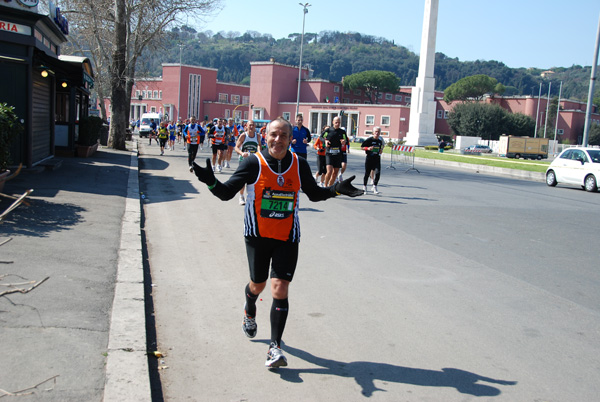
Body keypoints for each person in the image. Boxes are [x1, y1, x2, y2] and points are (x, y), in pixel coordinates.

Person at [192, 117, 363, 368]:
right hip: (257, 236)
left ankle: (275, 347)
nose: (278, 140)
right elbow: (227, 192)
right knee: (258, 285)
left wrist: (336, 189)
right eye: (273, 134)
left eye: (283, 135)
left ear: (290, 139)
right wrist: (209, 180)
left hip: (287, 237)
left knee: (280, 288)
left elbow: (314, 195)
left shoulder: (299, 164)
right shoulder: (253, 163)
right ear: (265, 137)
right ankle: (249, 305)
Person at [234, 119, 260, 205]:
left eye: (253, 125)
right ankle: (241, 196)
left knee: (255, 179)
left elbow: (259, 145)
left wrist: (259, 153)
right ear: (246, 126)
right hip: (243, 160)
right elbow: (236, 147)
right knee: (243, 179)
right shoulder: (243, 136)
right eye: (250, 125)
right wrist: (242, 153)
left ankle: (252, 197)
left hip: (254, 160)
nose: (251, 127)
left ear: (255, 126)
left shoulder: (258, 136)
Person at [322, 116, 348, 186]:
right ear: (333, 122)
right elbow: (321, 137)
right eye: (336, 122)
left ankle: (330, 187)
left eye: (339, 122)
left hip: (338, 154)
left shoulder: (342, 132)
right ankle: (325, 185)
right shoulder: (328, 130)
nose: (337, 124)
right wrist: (326, 141)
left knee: (335, 173)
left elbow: (346, 140)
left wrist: (344, 141)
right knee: (329, 171)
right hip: (329, 153)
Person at [361, 126, 384, 194]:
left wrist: (380, 150)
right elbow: (362, 147)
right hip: (369, 158)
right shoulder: (369, 140)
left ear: (380, 133)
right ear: (373, 132)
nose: (377, 133)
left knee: (378, 173)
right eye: (375, 132)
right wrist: (368, 149)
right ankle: (364, 186)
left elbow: (381, 147)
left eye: (378, 132)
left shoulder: (379, 141)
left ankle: (374, 186)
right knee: (367, 173)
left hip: (377, 159)